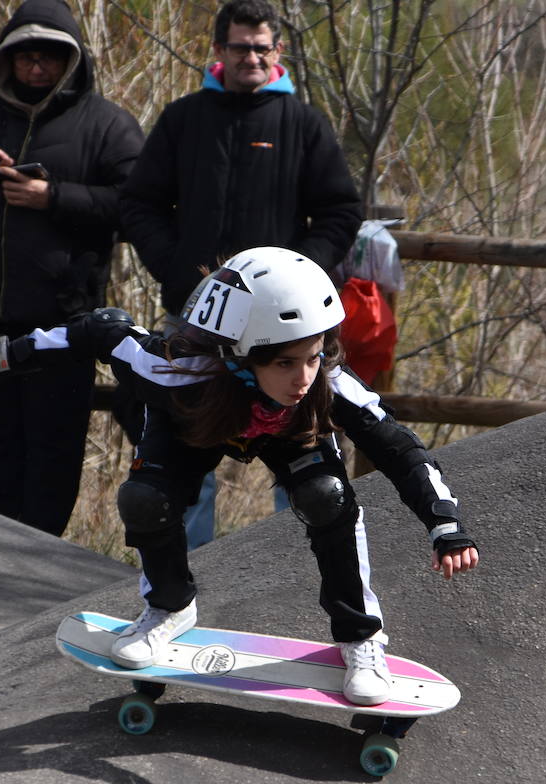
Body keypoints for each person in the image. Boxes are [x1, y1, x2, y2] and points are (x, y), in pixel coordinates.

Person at [0, 247, 478, 705]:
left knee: (326, 495)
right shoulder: (173, 367)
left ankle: (361, 638)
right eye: (285, 364)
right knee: (144, 499)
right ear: (240, 356)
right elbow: (97, 331)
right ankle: (168, 609)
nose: (303, 377)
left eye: (314, 357)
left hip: (288, 436)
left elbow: (402, 450)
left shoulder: (325, 384)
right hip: (192, 425)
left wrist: (444, 524)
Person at [117, 0, 363, 547]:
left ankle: (294, 574)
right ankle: (190, 572)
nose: (250, 56)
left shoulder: (302, 123)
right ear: (218, 51)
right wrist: (180, 270)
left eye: (261, 47)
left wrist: (300, 278)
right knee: (185, 440)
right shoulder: (184, 119)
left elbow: (341, 211)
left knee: (302, 450)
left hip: (287, 327)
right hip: (198, 316)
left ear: (277, 51)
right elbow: (139, 203)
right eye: (239, 46)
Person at [0, 0, 144, 536]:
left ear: (71, 61)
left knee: (52, 453)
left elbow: (137, 204)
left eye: (49, 57)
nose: (36, 68)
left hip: (63, 323)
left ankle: (37, 573)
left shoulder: (108, 125)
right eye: (24, 57)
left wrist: (54, 197)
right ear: (8, 60)